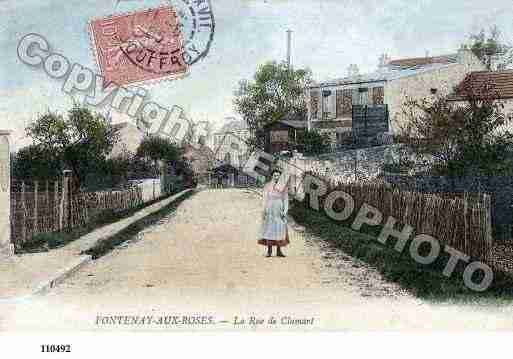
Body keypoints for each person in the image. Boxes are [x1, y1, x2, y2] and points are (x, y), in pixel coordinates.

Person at [258, 169, 289, 257]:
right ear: (272, 176)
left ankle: (279, 251)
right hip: (270, 207)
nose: (276, 177)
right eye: (275, 175)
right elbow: (265, 199)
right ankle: (269, 251)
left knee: (279, 228)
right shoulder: (267, 186)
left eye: (278, 175)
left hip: (279, 207)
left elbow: (285, 199)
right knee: (269, 228)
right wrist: (264, 210)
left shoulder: (283, 186)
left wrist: (285, 211)